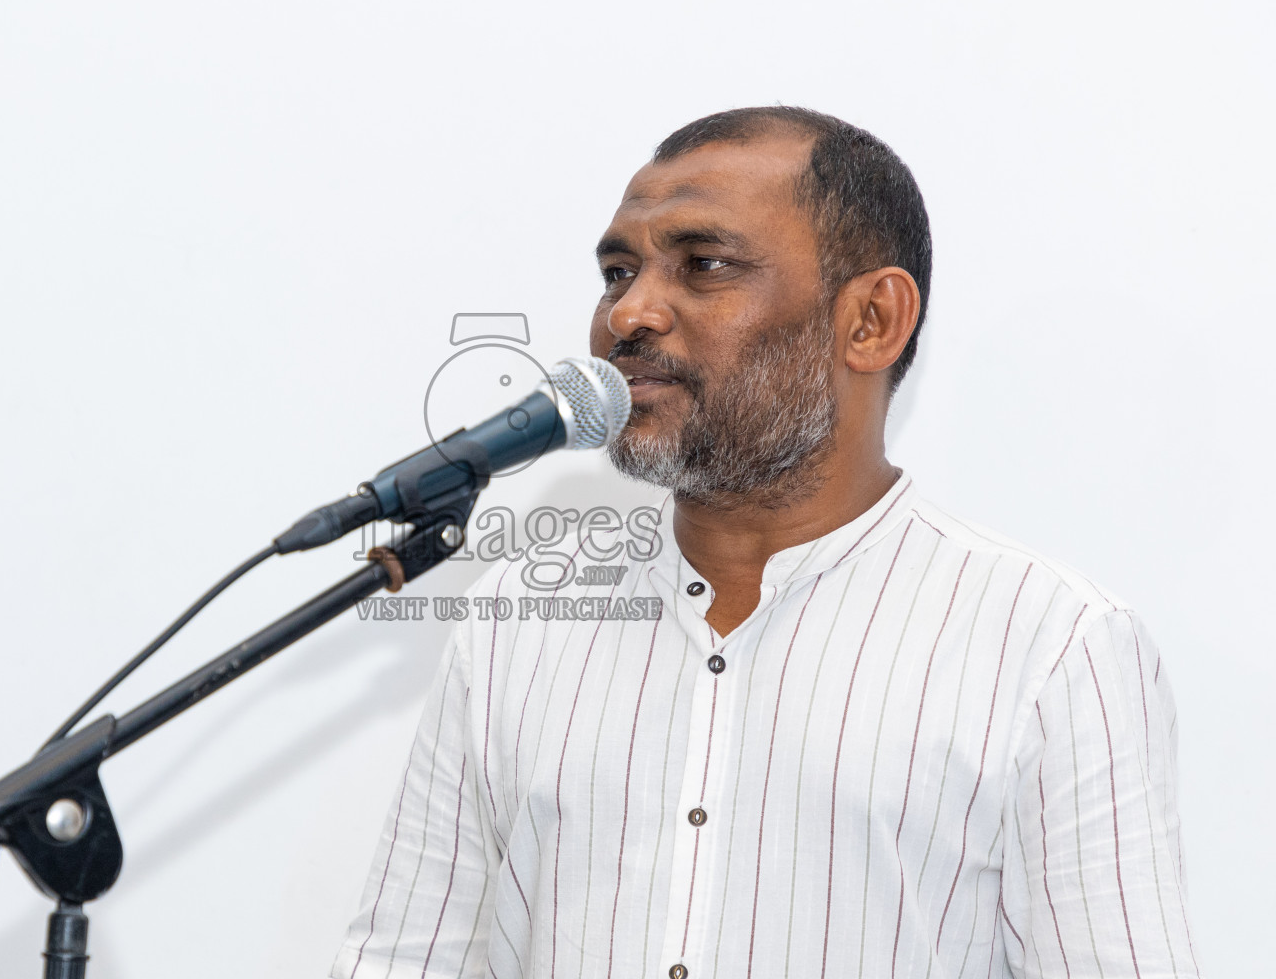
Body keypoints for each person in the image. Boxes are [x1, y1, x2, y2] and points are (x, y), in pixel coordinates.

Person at [329, 107, 1199, 979]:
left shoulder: (1051, 646)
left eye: (704, 266)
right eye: (617, 272)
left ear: (870, 321)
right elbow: (402, 958)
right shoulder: (516, 619)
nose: (630, 312)